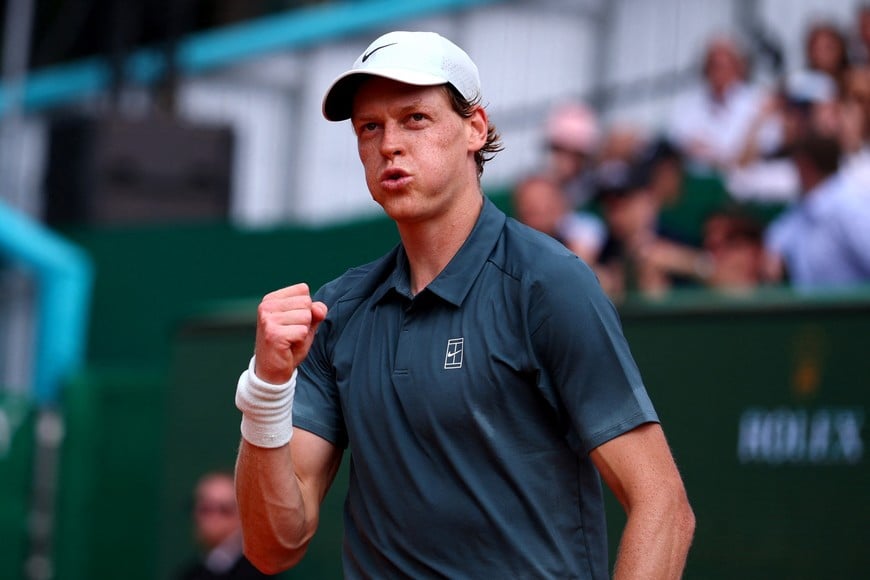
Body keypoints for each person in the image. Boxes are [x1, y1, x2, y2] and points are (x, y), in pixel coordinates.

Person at [233, 30, 695, 578]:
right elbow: (273, 545)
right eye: (370, 127)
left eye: (415, 119)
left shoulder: (548, 284)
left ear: (475, 128)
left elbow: (663, 505)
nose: (389, 145)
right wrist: (266, 390)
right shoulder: (336, 313)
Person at [764, 131, 870, 289]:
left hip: (855, 311)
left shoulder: (850, 205)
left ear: (804, 166)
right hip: (813, 310)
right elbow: (779, 235)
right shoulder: (806, 205)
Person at [177, 471, 277, 580]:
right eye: (205, 508)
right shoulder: (189, 573)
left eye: (224, 509)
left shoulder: (258, 573)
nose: (212, 518)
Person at [512, 173, 606, 264]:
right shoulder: (515, 242)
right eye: (530, 204)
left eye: (547, 200)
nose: (541, 208)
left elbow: (579, 264)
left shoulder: (583, 226)